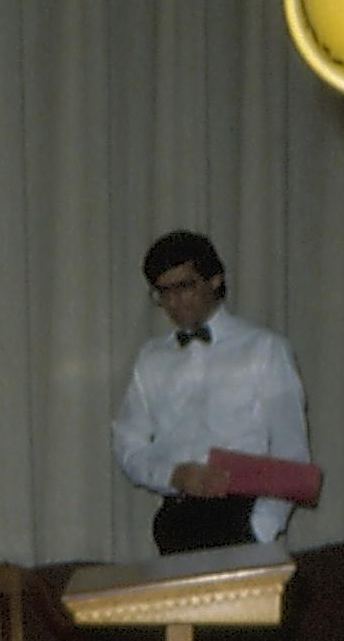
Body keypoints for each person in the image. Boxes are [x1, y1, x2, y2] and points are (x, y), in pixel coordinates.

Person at [112, 229, 310, 554]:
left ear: (215, 280)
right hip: (177, 518)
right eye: (163, 292)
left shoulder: (264, 349)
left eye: (184, 287)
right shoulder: (151, 359)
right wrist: (172, 474)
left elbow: (291, 451)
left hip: (243, 516)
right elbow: (127, 444)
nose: (174, 302)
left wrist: (260, 529)